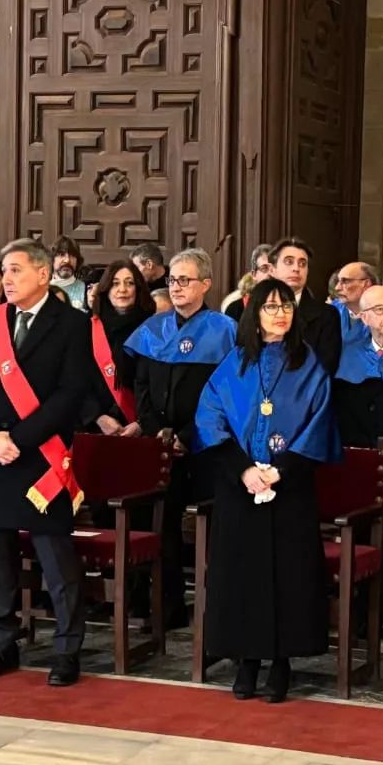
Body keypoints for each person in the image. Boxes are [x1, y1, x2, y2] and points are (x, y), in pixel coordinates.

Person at [194, 276, 339, 703]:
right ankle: (246, 660)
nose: (280, 314)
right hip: (240, 487)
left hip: (289, 488)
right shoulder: (235, 363)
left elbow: (319, 423)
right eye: (271, 306)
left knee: (287, 577)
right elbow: (210, 419)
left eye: (286, 306)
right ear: (254, 314)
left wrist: (281, 471)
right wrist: (243, 470)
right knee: (242, 575)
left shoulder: (308, 364)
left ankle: (280, 663)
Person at [0, 238, 96, 688]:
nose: (7, 279)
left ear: (43, 274)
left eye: (16, 270)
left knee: (55, 559)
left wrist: (17, 440)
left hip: (41, 456)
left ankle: (66, 650)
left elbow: (70, 394)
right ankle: (1, 645)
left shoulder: (73, 324)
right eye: (4, 270)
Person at [126, 248, 237, 630]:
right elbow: (141, 384)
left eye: (185, 280)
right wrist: (154, 428)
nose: (176, 287)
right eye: (172, 279)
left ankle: (213, 610)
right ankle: (161, 605)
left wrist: (187, 435)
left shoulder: (224, 331)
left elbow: (226, 393)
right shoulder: (153, 329)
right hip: (158, 444)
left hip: (205, 446)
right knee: (156, 521)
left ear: (206, 284)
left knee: (211, 524)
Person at [333, 283, 383, 643]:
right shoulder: (349, 354)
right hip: (358, 466)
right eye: (379, 310)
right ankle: (359, 622)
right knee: (359, 539)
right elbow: (342, 412)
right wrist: (363, 453)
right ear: (363, 318)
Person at [86, 259, 155, 434]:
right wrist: (98, 417)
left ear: (138, 289)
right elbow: (75, 380)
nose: (122, 289)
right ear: (106, 289)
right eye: (115, 283)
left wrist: (142, 423)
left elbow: (159, 385)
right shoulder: (87, 328)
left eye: (129, 283)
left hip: (142, 428)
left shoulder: (154, 329)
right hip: (94, 427)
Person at [267, 237, 342, 374]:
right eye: (289, 262)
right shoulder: (256, 309)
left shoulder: (327, 315)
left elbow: (326, 368)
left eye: (302, 264)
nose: (296, 268)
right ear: (272, 270)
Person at [330, 262, 377, 349]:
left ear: (366, 283)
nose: (337, 287)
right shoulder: (331, 310)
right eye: (338, 281)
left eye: (345, 281)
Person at [223, 243, 272, 319]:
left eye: (273, 268)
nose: (270, 273)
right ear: (254, 274)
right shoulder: (235, 309)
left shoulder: (288, 306)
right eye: (264, 268)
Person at [49, 236, 87, 310]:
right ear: (52, 259)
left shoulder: (86, 290)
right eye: (61, 254)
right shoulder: (40, 290)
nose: (67, 260)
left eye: (72, 255)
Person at [131, 243, 170, 311]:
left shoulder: (175, 281)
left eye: (137, 268)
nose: (134, 273)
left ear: (149, 264)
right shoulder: (138, 284)